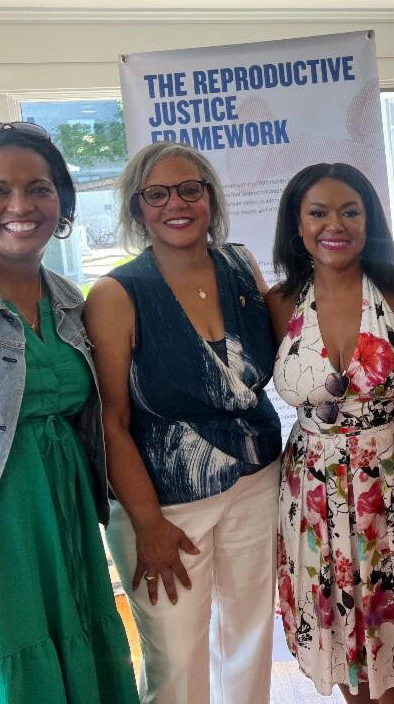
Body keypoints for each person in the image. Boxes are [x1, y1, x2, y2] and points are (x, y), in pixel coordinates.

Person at [0, 123, 138, 703]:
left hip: (64, 518)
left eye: (39, 189)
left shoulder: (71, 300)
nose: (20, 206)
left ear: (62, 202)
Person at [85, 142, 282, 704]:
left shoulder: (241, 265)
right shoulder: (116, 293)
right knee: (174, 661)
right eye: (157, 193)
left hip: (256, 479)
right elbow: (111, 420)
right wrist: (147, 525)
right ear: (136, 208)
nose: (177, 203)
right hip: (164, 502)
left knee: (249, 639)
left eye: (190, 189)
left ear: (211, 199)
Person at [266, 163, 394, 703]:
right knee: (341, 647)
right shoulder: (278, 302)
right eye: (317, 212)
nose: (333, 224)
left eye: (349, 211)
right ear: (297, 224)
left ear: (370, 220)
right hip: (312, 495)